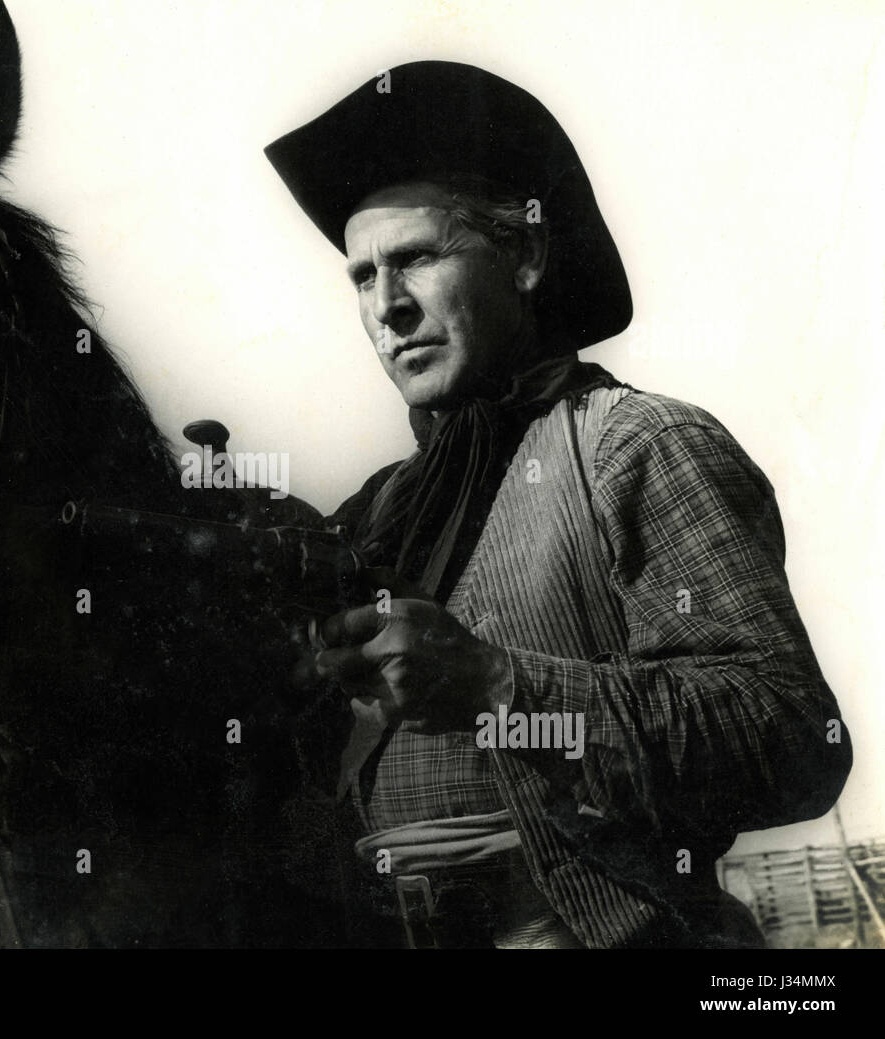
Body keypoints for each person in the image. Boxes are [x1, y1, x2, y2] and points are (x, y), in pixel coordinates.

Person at [264, 61, 852, 948]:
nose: (387, 306)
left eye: (417, 257)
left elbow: (795, 735)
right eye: (360, 276)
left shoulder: (634, 445)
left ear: (526, 256)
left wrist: (500, 685)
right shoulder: (379, 513)